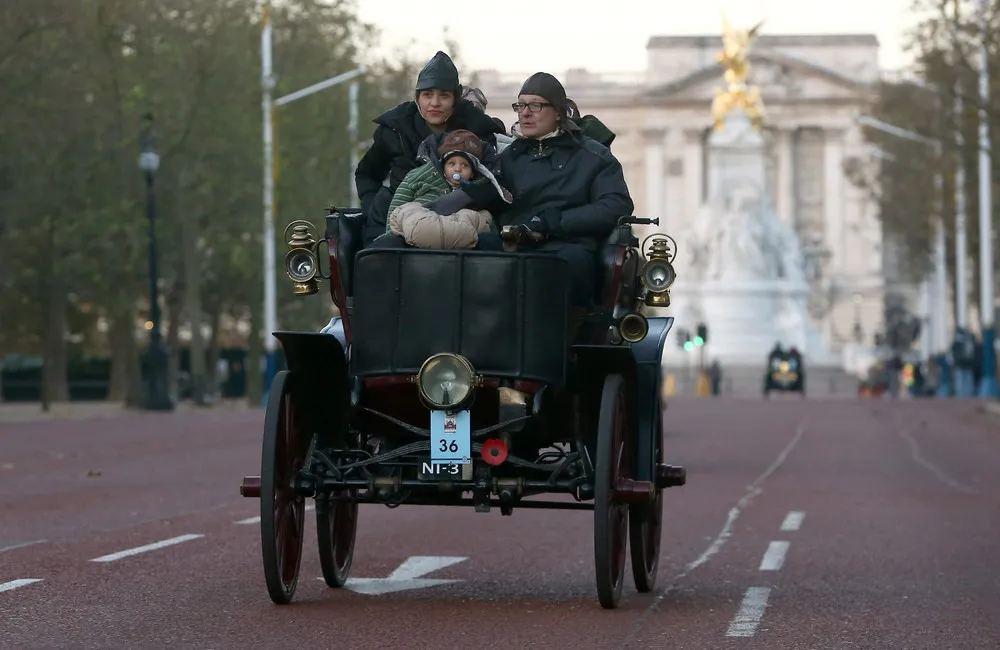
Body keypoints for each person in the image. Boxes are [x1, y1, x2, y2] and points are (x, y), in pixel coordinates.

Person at [424, 72, 634, 331]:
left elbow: (616, 205)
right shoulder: (511, 156)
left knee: (565, 268)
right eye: (521, 105)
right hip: (514, 244)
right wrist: (449, 204)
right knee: (460, 254)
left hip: (567, 246)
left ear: (558, 113)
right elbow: (494, 193)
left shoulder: (593, 156)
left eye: (535, 105)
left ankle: (561, 341)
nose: (525, 113)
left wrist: (555, 221)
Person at [354, 51, 500, 246]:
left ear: (455, 98)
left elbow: (493, 181)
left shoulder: (478, 129)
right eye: (427, 95)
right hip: (396, 224)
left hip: (459, 227)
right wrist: (374, 209)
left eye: (444, 96)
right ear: (417, 97)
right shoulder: (396, 128)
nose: (435, 103)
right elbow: (366, 173)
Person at [373, 129, 511, 250]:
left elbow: (487, 224)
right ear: (443, 167)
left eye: (465, 165)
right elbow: (398, 206)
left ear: (472, 173)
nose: (457, 169)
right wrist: (391, 234)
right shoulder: (421, 177)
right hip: (416, 236)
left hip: (461, 242)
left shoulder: (478, 192)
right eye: (452, 164)